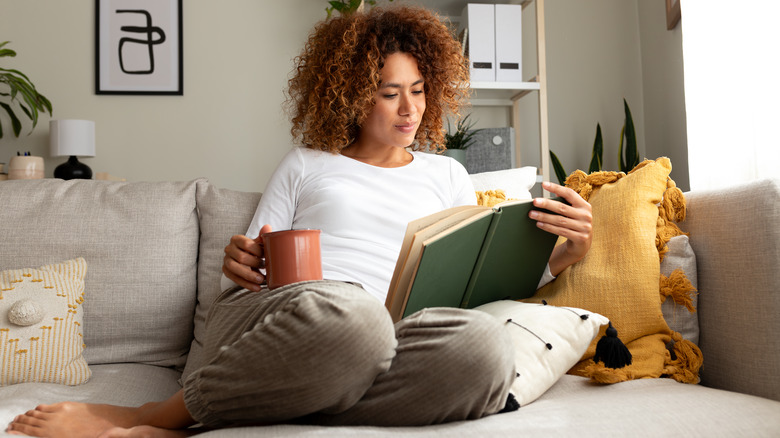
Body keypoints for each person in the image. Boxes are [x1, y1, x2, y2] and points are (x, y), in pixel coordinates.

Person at [7, 6, 592, 438]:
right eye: (390, 93)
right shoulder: (308, 164)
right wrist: (239, 264)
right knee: (356, 320)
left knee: (487, 351)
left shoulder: (447, 177)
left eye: (418, 90)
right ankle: (152, 417)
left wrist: (557, 256)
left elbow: (479, 290)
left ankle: (280, 399)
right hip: (299, 316)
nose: (411, 109)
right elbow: (241, 278)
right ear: (354, 94)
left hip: (391, 335)